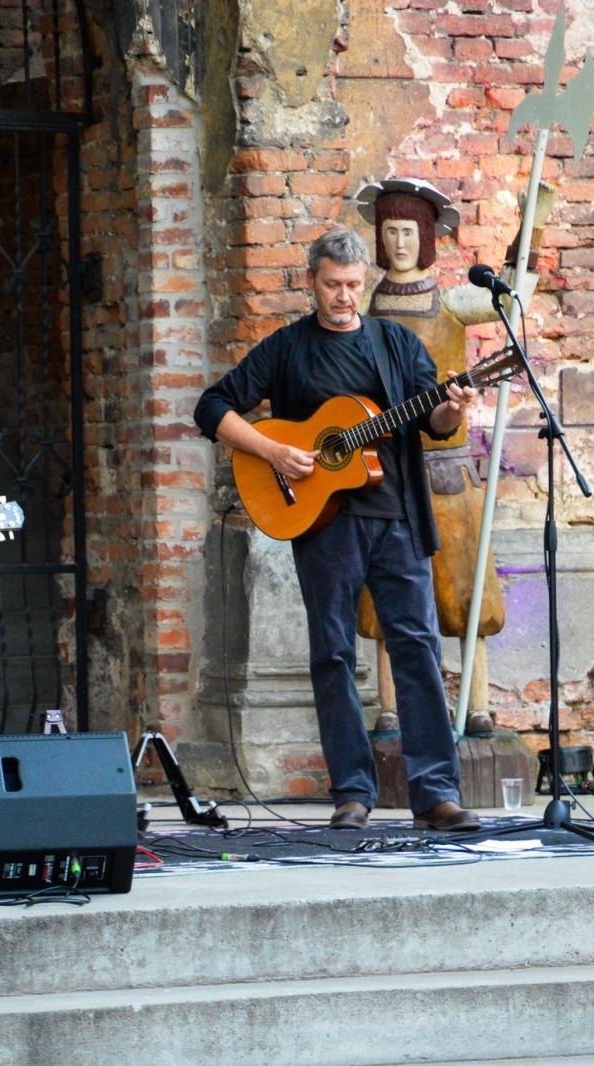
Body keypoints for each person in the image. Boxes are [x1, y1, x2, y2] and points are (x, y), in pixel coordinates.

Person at [194, 228, 481, 832]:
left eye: (353, 285)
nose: (344, 297)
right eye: (332, 285)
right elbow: (212, 408)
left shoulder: (396, 343)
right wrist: (272, 450)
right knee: (332, 653)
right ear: (312, 282)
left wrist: (453, 408)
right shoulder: (287, 349)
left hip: (396, 519)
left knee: (418, 648)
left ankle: (435, 792)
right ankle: (353, 791)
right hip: (323, 524)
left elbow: (433, 419)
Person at [352, 176, 533, 725]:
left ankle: (475, 706)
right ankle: (390, 710)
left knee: (465, 592)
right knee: (383, 600)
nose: (400, 242)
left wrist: (532, 227)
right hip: (382, 465)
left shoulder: (452, 301)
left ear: (426, 237)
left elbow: (513, 298)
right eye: (391, 232)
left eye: (409, 231)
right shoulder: (362, 301)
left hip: (447, 469)